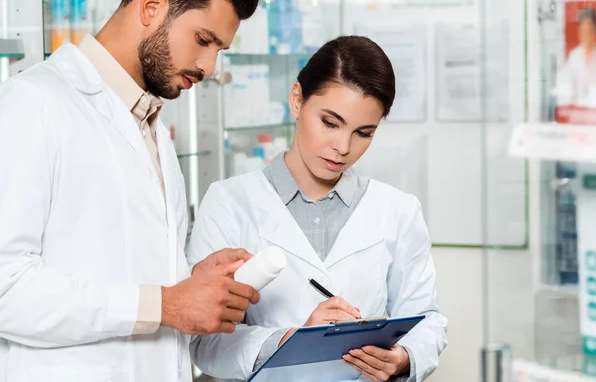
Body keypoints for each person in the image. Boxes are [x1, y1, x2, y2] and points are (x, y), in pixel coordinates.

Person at [0, 0, 262, 382]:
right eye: (203, 40)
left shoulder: (151, 126)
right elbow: (3, 289)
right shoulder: (32, 102)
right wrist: (167, 304)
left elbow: (116, 269)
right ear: (152, 6)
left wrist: (188, 283)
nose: (209, 67)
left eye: (219, 50)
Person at [187, 36, 448, 382]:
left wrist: (401, 358)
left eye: (363, 133)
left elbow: (427, 319)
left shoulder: (398, 211)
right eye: (330, 122)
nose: (342, 147)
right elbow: (203, 342)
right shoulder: (229, 202)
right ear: (297, 100)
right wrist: (290, 340)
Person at [560, 7, 596, 105]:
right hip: (579, 112)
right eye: (583, 30)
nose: (586, 35)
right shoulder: (574, 57)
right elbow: (566, 87)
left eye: (589, 30)